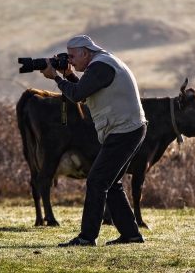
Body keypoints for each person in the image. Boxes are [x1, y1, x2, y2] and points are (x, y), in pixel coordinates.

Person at [40, 35, 147, 246]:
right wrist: (69, 75)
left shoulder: (99, 67)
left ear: (85, 52)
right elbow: (86, 89)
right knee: (110, 182)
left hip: (124, 131)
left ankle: (87, 238)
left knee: (97, 180)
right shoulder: (103, 62)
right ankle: (132, 235)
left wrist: (56, 77)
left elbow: (77, 95)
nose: (69, 61)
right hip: (129, 128)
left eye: (71, 57)